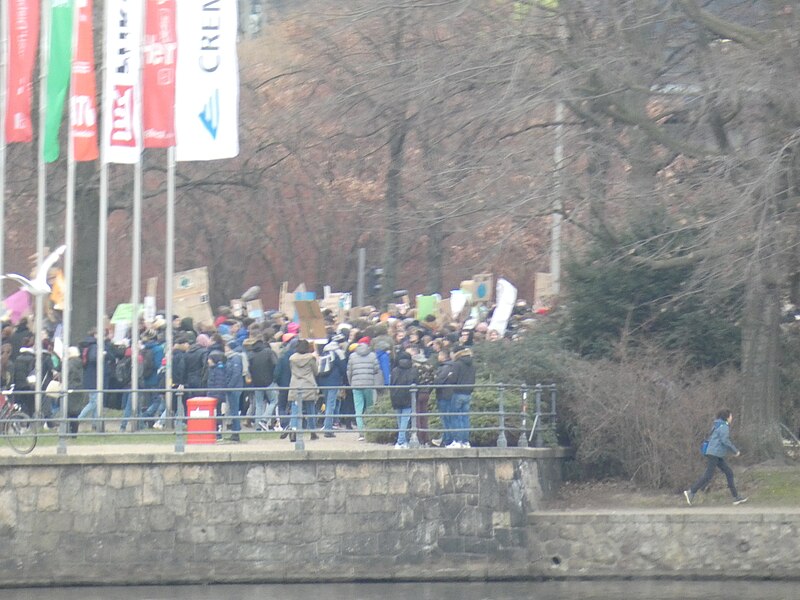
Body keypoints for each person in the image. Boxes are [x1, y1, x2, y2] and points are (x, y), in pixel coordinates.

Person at [684, 409, 747, 506]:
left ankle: (736, 497)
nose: (732, 418)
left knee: (729, 472)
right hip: (714, 454)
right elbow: (724, 440)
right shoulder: (724, 426)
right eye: (731, 416)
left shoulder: (717, 425)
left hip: (715, 453)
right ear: (727, 417)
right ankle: (691, 492)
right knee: (708, 475)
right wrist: (735, 451)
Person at [346, 336, 380, 442]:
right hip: (369, 384)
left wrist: (351, 382)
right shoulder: (372, 355)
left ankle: (361, 433)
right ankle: (370, 430)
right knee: (369, 407)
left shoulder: (352, 356)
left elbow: (349, 371)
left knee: (358, 409)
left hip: (356, 385)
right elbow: (376, 369)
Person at [285, 339, 319, 442]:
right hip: (308, 384)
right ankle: (313, 431)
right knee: (311, 409)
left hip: (295, 385)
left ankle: (294, 429)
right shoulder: (311, 358)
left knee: (295, 410)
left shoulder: (292, 359)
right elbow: (316, 371)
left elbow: (291, 370)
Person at [389, 350, 417, 449]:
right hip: (408, 397)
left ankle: (402, 441)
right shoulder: (413, 370)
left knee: (400, 420)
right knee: (405, 420)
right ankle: (401, 441)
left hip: (396, 396)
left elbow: (391, 384)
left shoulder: (394, 370)